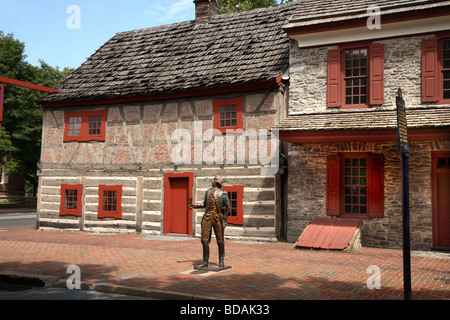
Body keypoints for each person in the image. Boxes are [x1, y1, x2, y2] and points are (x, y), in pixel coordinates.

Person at [190, 176, 230, 269]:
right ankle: (205, 262)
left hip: (217, 218)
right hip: (207, 218)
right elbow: (204, 204)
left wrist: (223, 218)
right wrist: (195, 205)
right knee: (204, 240)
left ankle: (221, 260)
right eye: (214, 179)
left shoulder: (223, 193)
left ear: (218, 182)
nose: (213, 181)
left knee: (220, 240)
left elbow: (228, 208)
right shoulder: (208, 191)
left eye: (215, 180)